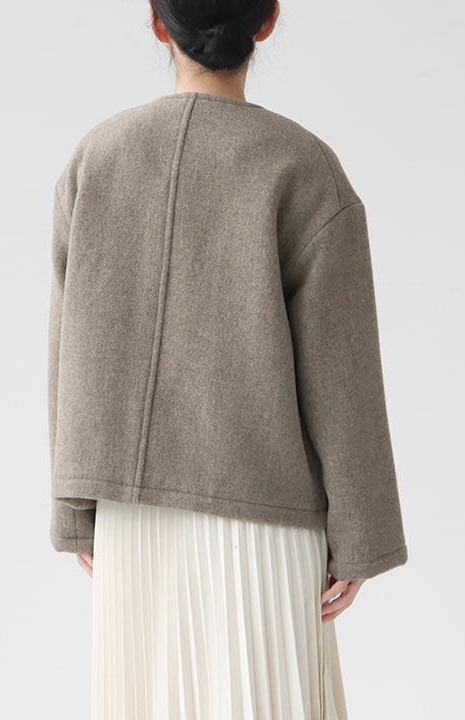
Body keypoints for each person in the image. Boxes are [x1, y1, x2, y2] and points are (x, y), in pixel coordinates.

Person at [47, 1, 408, 717]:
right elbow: (343, 371)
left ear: (158, 23)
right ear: (267, 21)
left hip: (129, 516)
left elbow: (70, 340)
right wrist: (361, 535)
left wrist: (74, 508)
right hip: (265, 516)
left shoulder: (98, 156)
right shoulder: (302, 166)